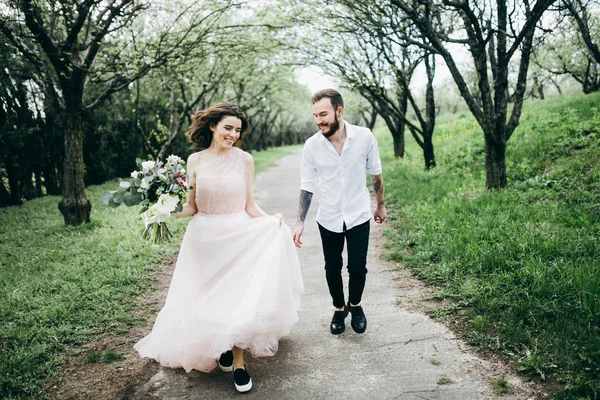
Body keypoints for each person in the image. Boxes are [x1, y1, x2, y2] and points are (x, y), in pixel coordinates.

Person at [134, 102, 303, 393]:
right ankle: (221, 347)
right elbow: (191, 207)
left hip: (239, 235)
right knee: (209, 299)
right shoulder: (194, 161)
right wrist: (162, 212)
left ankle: (238, 363)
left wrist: (271, 220)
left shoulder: (245, 160)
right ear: (212, 127)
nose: (233, 135)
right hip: (204, 238)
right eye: (228, 128)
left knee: (238, 298)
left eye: (237, 130)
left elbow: (249, 204)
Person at [292, 88, 386, 335]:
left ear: (339, 111)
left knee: (358, 267)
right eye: (315, 115)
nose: (319, 120)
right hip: (329, 217)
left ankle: (355, 306)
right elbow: (307, 185)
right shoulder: (312, 146)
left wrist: (380, 204)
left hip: (358, 214)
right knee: (332, 267)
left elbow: (375, 173)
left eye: (323, 114)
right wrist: (300, 222)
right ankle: (338, 308)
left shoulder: (364, 137)